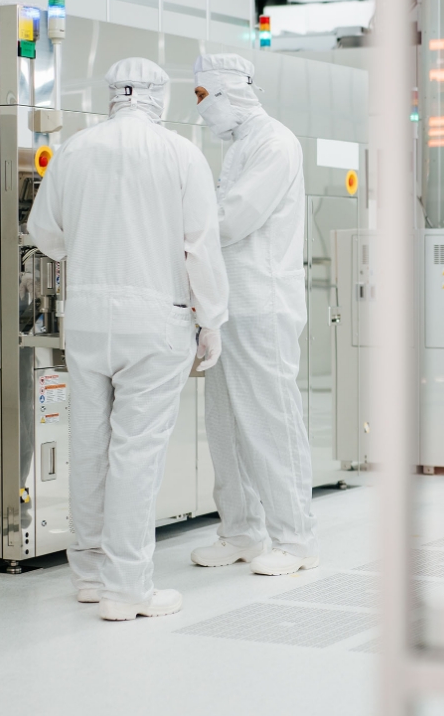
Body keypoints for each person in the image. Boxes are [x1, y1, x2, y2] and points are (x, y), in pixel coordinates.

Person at [28, 57, 229, 620]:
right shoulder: (181, 154)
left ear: (112, 94)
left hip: (86, 318)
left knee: (89, 447)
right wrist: (212, 318)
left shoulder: (75, 149)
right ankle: (127, 588)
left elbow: (43, 233)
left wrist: (85, 247)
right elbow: (200, 246)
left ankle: (91, 575)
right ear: (159, 96)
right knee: (136, 452)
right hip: (155, 320)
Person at [188, 53, 319, 576]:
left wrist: (176, 229)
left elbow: (233, 218)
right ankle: (241, 532)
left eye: (203, 97)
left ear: (228, 91)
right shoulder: (240, 146)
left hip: (262, 303)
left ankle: (296, 539)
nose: (201, 109)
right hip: (226, 306)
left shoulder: (275, 143)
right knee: (225, 425)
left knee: (271, 421)